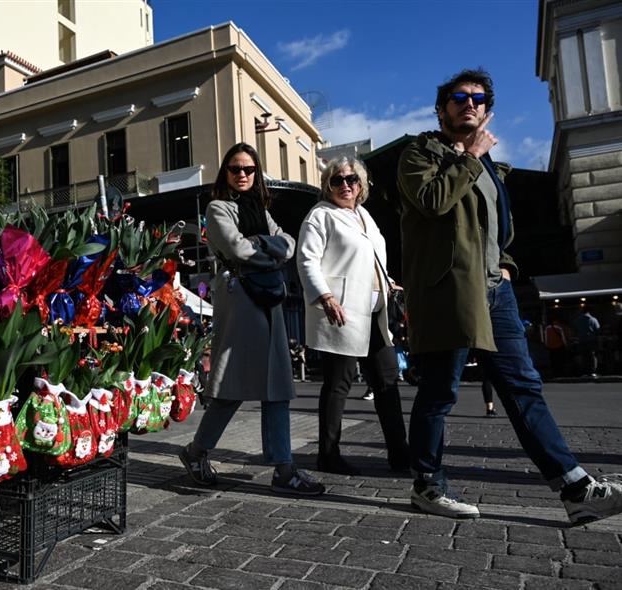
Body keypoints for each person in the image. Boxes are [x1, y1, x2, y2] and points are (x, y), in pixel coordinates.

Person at [397, 68, 622, 523]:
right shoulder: (419, 153)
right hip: (449, 292)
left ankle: (575, 488)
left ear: (487, 111)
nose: (469, 103)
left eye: (478, 99)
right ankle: (428, 485)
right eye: (459, 97)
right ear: (441, 110)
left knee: (524, 389)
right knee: (440, 393)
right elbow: (433, 201)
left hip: (496, 293)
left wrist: (506, 265)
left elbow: (498, 231)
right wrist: (468, 155)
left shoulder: (490, 169)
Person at [177, 142, 324, 496]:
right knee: (232, 382)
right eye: (235, 169)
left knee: (277, 386)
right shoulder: (218, 208)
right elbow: (238, 250)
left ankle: (283, 467)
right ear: (225, 173)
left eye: (249, 169)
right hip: (240, 299)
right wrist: (268, 247)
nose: (242, 175)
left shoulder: (260, 209)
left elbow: (288, 242)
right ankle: (196, 452)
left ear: (257, 174)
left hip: (267, 299)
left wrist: (262, 244)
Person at [297, 156, 410, 475]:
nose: (345, 185)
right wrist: (326, 296)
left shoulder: (364, 216)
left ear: (361, 185)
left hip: (376, 310)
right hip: (343, 311)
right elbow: (306, 261)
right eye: (337, 180)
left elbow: (372, 258)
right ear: (327, 185)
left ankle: (400, 454)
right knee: (338, 383)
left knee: (387, 380)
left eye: (352, 180)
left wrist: (387, 281)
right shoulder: (320, 215)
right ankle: (328, 455)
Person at [573, 306, 600, 378]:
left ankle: (584, 372)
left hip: (581, 340)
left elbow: (575, 329)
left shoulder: (577, 320)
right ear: (589, 311)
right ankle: (593, 372)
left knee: (584, 357)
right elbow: (597, 329)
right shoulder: (593, 319)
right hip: (591, 340)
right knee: (592, 356)